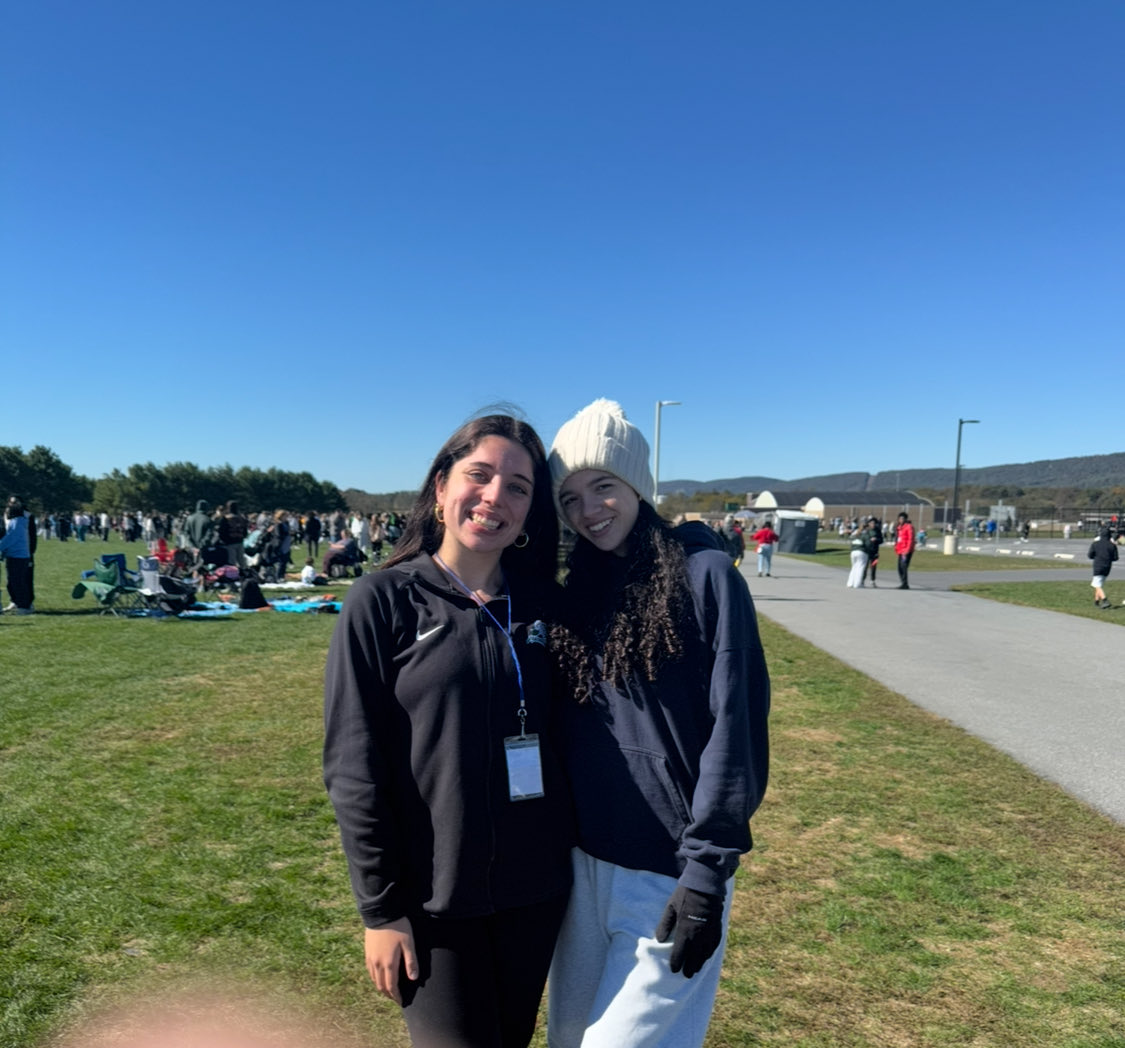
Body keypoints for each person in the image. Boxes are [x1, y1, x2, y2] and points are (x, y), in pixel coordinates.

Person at [323, 414, 573, 1048]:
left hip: (533, 896)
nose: (495, 498)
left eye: (518, 487)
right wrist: (381, 910)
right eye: (479, 475)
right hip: (433, 903)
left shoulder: (548, 608)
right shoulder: (382, 601)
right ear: (441, 486)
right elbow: (355, 767)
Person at [546, 399, 770, 1048]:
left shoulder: (706, 577)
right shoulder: (577, 589)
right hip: (582, 867)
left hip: (668, 874)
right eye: (570, 497)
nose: (589, 510)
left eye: (603, 487)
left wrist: (704, 877)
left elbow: (736, 731)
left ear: (638, 487)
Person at [0, 496, 35, 614]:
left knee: (18, 582)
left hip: (18, 557)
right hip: (14, 556)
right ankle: (18, 602)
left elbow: (10, 539)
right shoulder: (18, 522)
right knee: (12, 581)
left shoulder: (17, 522)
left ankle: (24, 606)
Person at [1088, 526, 1118, 609]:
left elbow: (1090, 555)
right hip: (1107, 566)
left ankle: (1105, 600)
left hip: (1098, 565)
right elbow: (1115, 558)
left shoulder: (1095, 544)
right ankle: (1096, 601)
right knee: (1099, 584)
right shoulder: (1112, 545)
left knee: (1096, 584)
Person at [846, 519, 873, 588]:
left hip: (853, 552)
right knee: (860, 568)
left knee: (854, 567)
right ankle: (857, 584)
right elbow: (868, 544)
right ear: (866, 527)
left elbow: (851, 540)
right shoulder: (866, 534)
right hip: (862, 552)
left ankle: (850, 583)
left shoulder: (855, 533)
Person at [894, 511, 915, 589]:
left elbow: (910, 539)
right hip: (900, 550)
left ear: (905, 519)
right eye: (900, 518)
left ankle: (905, 583)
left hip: (906, 551)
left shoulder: (909, 527)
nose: (901, 520)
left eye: (902, 518)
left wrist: (907, 550)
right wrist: (896, 547)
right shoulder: (899, 528)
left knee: (903, 566)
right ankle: (903, 582)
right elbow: (898, 539)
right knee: (899, 567)